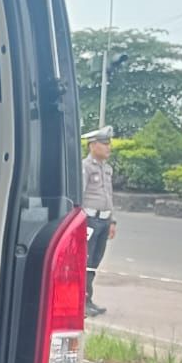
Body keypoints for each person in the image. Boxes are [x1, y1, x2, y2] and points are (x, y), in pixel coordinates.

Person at [81, 125, 117, 317]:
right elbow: (79, 195)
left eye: (108, 143)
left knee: (94, 262)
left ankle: (88, 300)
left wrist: (112, 221)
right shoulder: (85, 167)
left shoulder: (107, 169)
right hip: (89, 221)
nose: (108, 147)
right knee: (85, 262)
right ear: (93, 145)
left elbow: (109, 196)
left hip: (103, 221)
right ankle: (81, 302)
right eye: (104, 144)